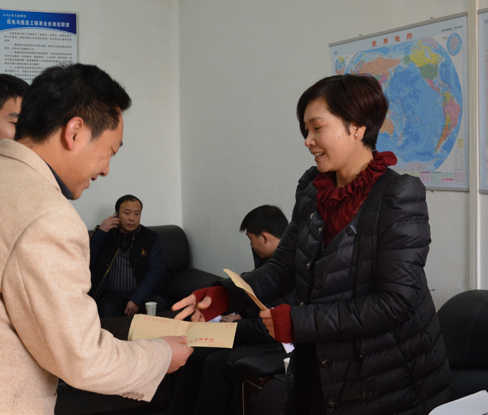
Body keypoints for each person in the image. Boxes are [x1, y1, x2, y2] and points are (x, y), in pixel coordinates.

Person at [0, 64, 192, 415]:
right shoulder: (46, 214)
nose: (106, 169)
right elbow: (82, 357)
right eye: (110, 151)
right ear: (74, 132)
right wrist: (162, 354)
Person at [174, 74, 451, 415]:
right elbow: (283, 267)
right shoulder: (313, 190)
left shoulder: (398, 195)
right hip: (320, 369)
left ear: (358, 127)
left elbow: (397, 302)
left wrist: (299, 321)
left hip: (386, 379)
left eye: (317, 128)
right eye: (305, 130)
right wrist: (225, 294)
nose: (308, 141)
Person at [168, 205, 291, 415]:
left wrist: (236, 325)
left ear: (265, 237)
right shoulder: (269, 261)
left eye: (250, 239)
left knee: (215, 363)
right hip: (254, 331)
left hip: (276, 343)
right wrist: (241, 314)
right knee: (194, 350)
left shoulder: (289, 268)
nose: (250, 245)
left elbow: (270, 324)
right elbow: (257, 300)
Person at [89, 195, 169, 317]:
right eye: (127, 213)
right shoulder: (105, 235)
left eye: (137, 214)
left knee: (160, 304)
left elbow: (157, 271)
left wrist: (136, 299)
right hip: (112, 295)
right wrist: (101, 232)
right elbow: (88, 262)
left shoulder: (151, 238)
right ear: (116, 214)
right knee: (106, 309)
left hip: (144, 294)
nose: (132, 218)